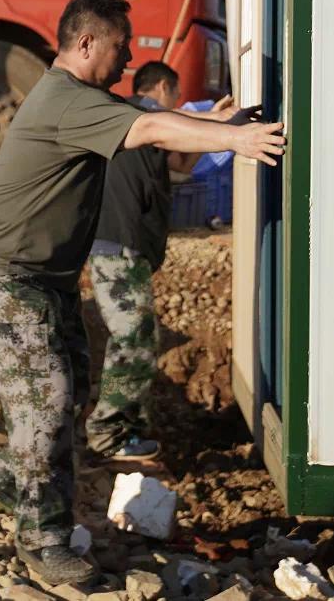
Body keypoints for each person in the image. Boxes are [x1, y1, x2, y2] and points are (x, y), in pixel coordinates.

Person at [0, 0, 284, 586]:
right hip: (11, 278)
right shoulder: (65, 101)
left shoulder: (83, 98)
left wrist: (220, 123)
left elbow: (155, 119)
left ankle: (13, 488)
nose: (130, 54)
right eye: (121, 44)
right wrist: (235, 141)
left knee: (69, 391)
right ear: (86, 43)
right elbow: (153, 126)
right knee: (49, 400)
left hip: (46, 281)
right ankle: (42, 540)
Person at [83, 60, 220, 462]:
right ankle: (108, 432)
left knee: (140, 337)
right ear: (162, 87)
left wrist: (219, 131)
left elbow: (180, 163)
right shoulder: (140, 116)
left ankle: (129, 430)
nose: (177, 105)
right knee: (134, 339)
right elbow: (175, 132)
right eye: (176, 96)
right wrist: (225, 125)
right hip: (116, 247)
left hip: (126, 248)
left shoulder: (144, 125)